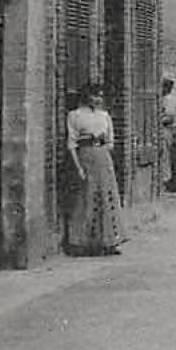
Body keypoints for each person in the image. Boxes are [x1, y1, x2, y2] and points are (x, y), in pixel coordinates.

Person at [65, 84, 123, 256]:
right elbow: (71, 144)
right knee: (86, 197)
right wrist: (78, 168)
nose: (97, 99)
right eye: (94, 96)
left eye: (100, 96)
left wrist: (102, 146)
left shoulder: (104, 116)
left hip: (103, 158)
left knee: (106, 196)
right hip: (85, 158)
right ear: (86, 96)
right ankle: (81, 243)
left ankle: (109, 242)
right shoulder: (74, 115)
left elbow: (111, 142)